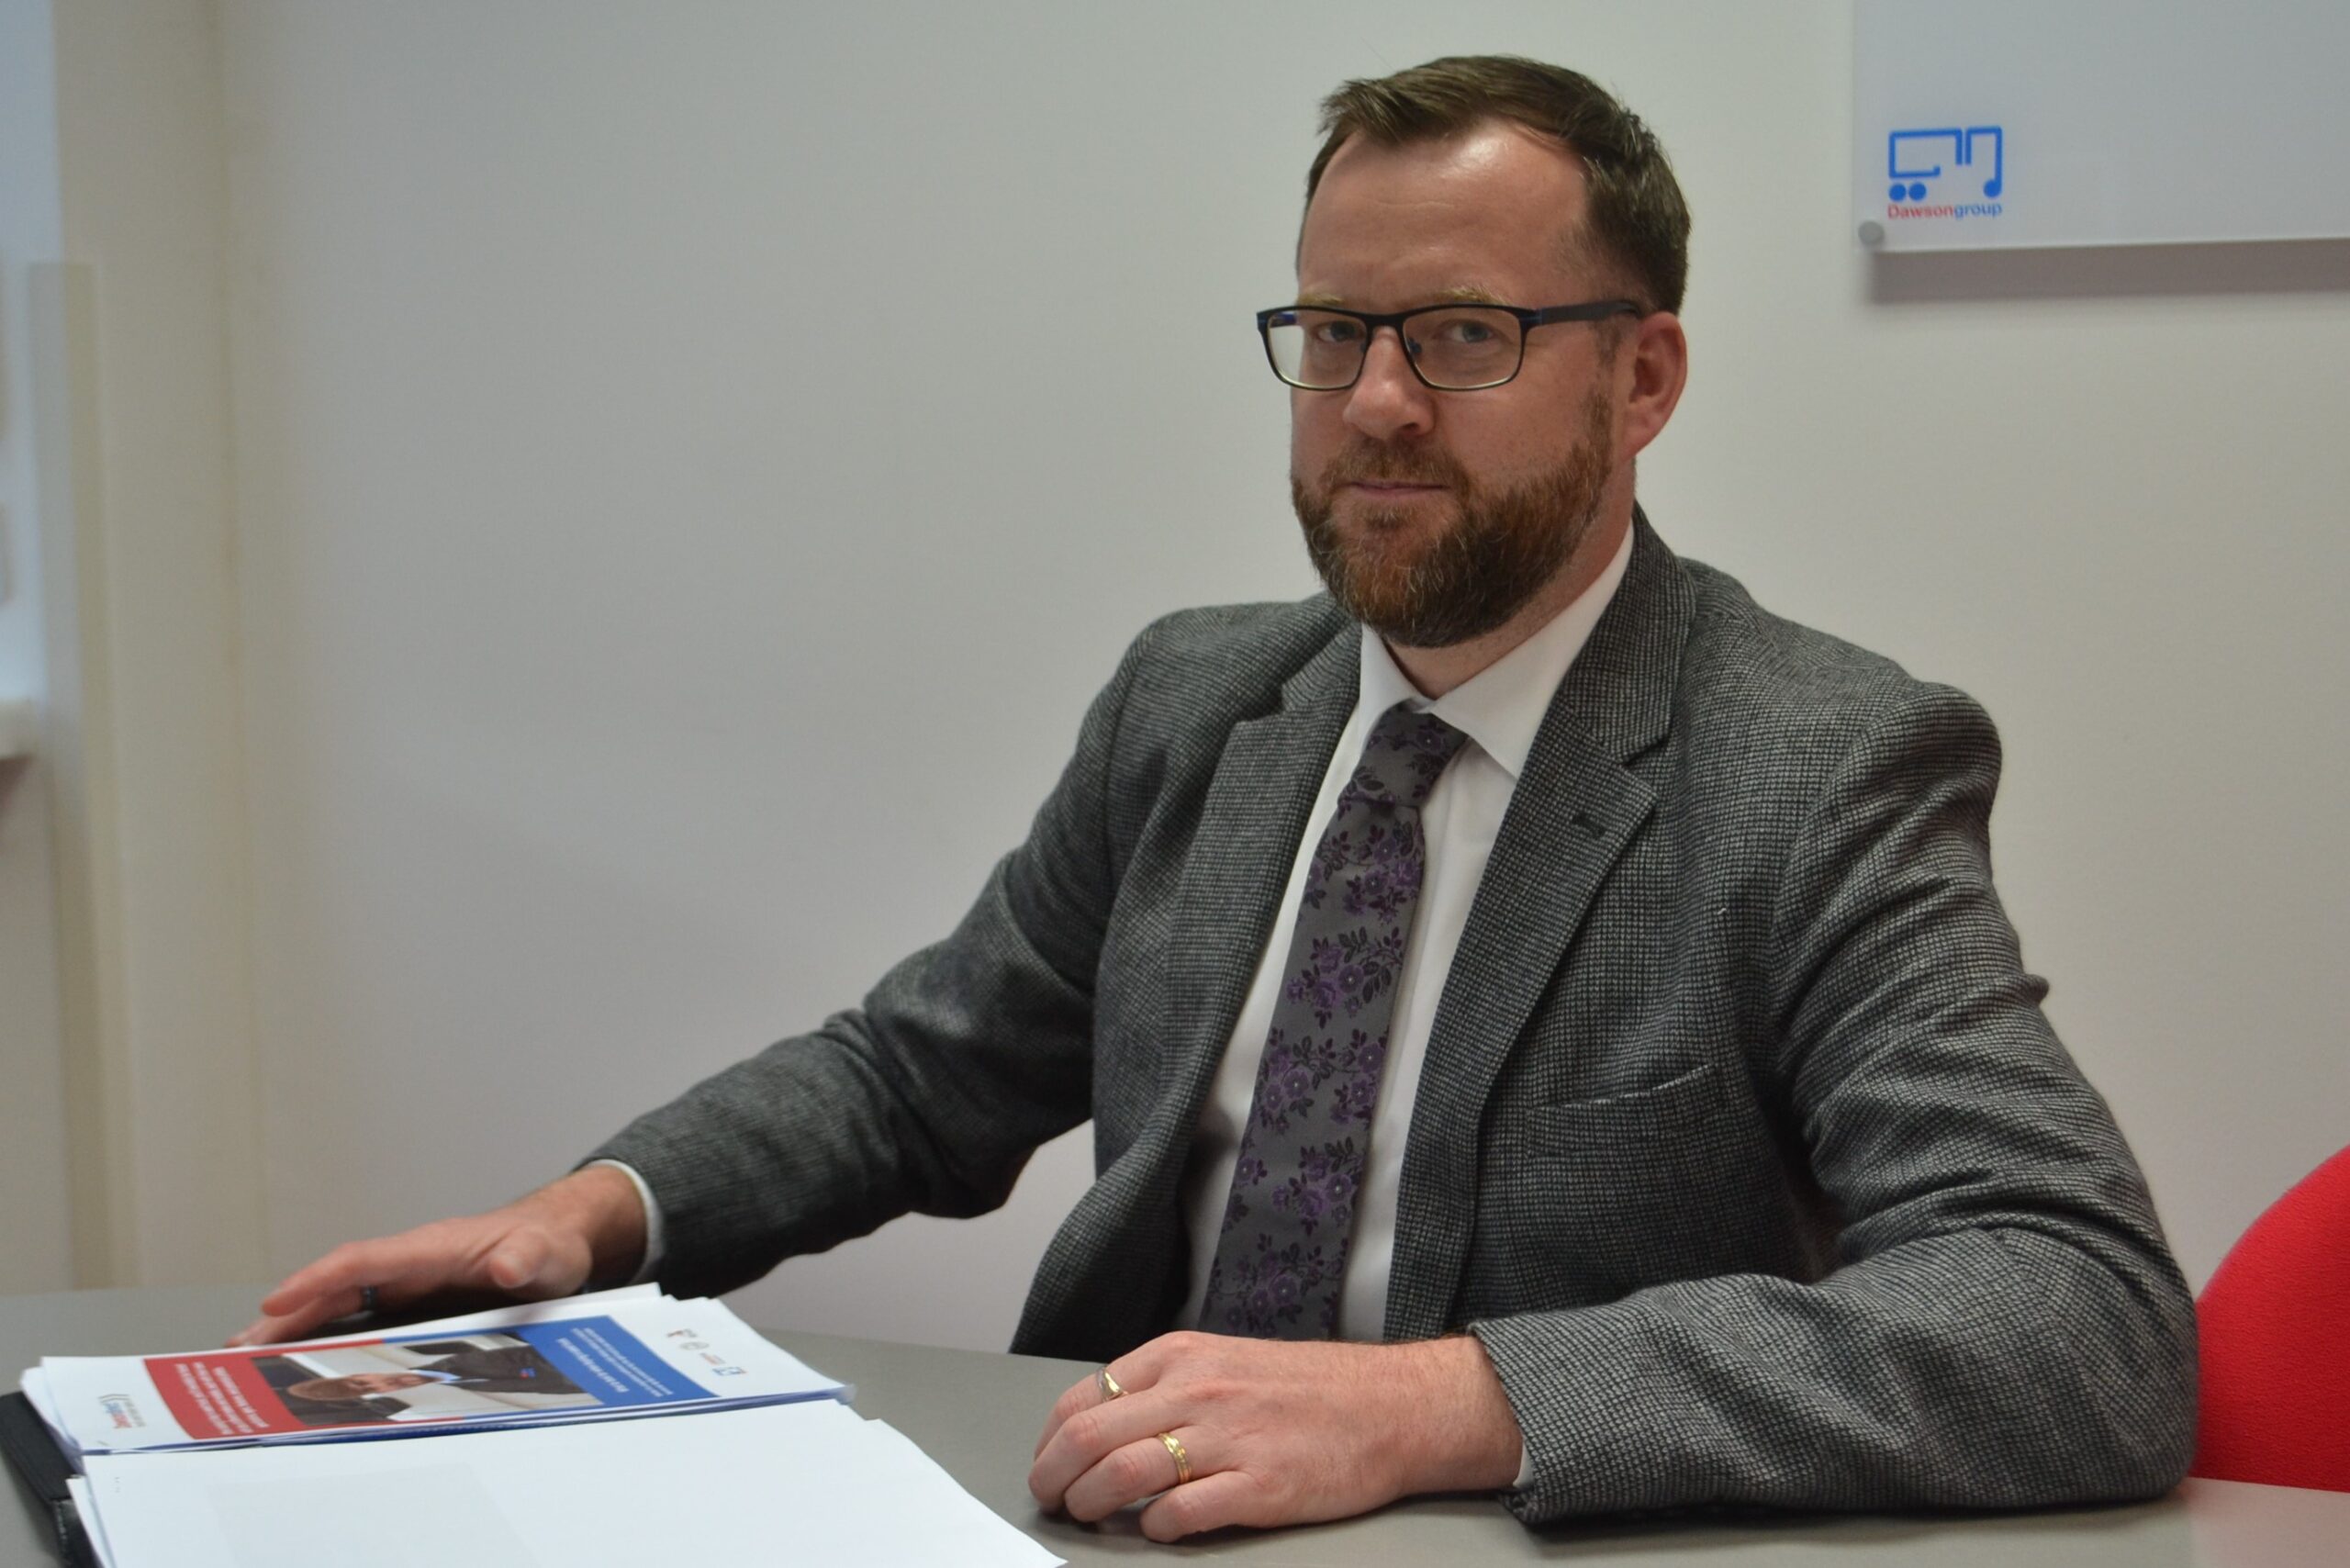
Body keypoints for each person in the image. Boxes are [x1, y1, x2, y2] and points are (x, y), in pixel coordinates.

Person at [234, 55, 2197, 1539]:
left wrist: (1439, 1400)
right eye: (1333, 330)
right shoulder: (1198, 699)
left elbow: (2072, 1314)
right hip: (1105, 1503)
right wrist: (590, 1214)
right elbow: (919, 1074)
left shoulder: (1814, 761)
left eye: (1462, 336)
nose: (1374, 404)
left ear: (1646, 374)